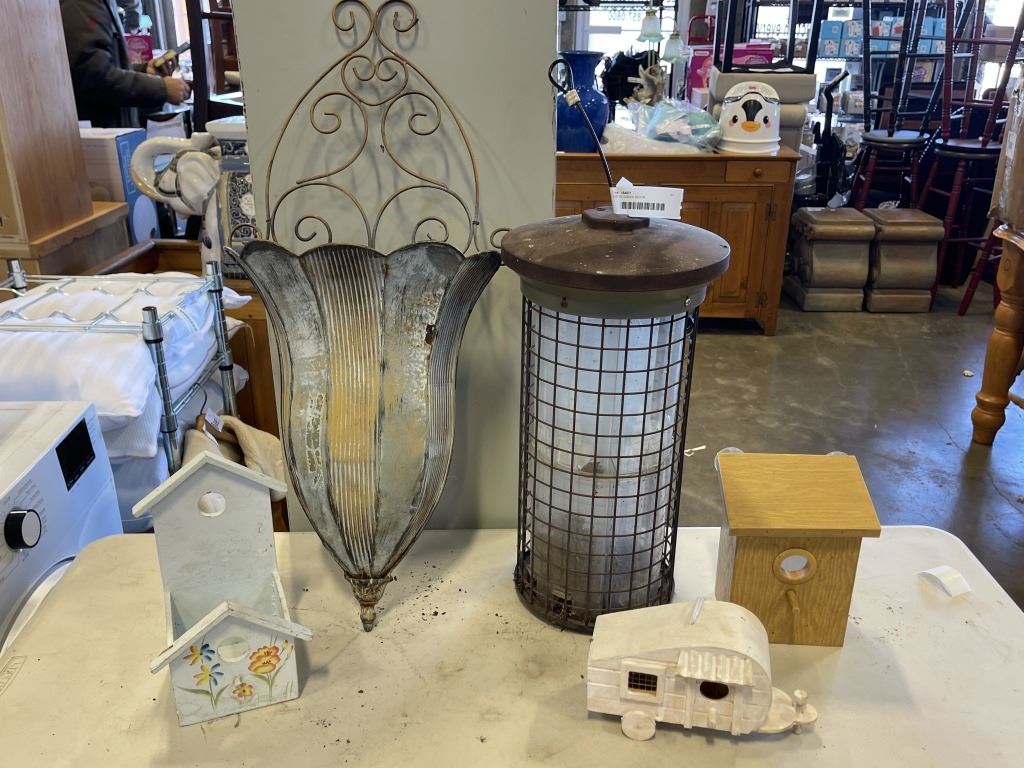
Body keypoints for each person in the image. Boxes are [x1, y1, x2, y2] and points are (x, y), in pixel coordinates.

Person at [60, 0, 191, 128]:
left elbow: (100, 65)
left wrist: (144, 70)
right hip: (102, 134)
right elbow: (93, 76)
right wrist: (161, 89)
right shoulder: (82, 4)